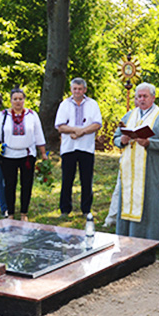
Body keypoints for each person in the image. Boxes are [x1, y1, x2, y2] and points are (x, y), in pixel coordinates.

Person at [113, 83, 159, 241]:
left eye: (145, 96)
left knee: (149, 200)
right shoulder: (129, 115)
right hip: (129, 168)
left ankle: (148, 238)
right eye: (139, 96)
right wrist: (123, 140)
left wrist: (150, 143)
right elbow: (116, 137)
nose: (141, 99)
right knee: (127, 198)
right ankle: (125, 235)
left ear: (153, 97)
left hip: (149, 166)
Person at [0, 88, 47, 222]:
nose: (18, 102)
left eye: (20, 99)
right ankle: (11, 213)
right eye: (15, 99)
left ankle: (24, 213)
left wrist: (43, 153)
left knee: (26, 184)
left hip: (27, 155)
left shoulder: (32, 115)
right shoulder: (3, 115)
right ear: (11, 101)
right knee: (10, 184)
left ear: (24, 100)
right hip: (8, 155)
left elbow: (38, 134)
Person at [55, 78, 102, 218]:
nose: (77, 91)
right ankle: (65, 209)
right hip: (69, 148)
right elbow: (60, 126)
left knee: (86, 179)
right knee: (67, 179)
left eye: (80, 89)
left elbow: (97, 124)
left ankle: (86, 209)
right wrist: (75, 130)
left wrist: (82, 132)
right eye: (75, 89)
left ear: (85, 90)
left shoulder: (92, 104)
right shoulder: (64, 104)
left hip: (86, 148)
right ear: (71, 89)